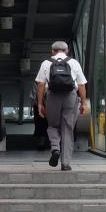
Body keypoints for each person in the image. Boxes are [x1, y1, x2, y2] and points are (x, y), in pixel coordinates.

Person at [35, 40, 87, 171]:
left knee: (53, 125)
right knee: (67, 128)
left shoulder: (46, 63)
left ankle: (55, 148)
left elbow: (41, 85)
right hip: (70, 97)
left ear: (52, 51)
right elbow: (81, 85)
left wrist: (40, 104)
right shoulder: (74, 62)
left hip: (52, 96)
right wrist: (83, 103)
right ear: (67, 51)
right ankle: (65, 163)